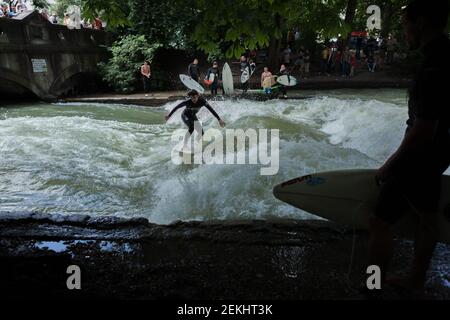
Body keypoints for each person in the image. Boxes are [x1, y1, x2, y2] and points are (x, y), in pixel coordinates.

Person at [368, 0, 450, 292]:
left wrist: (390, 164)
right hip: (440, 155)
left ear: (422, 22)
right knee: (427, 219)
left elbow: (423, 127)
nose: (404, 32)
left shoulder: (432, 67)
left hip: (419, 159)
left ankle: (373, 287)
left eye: (405, 24)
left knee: (378, 222)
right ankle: (415, 280)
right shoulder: (446, 55)